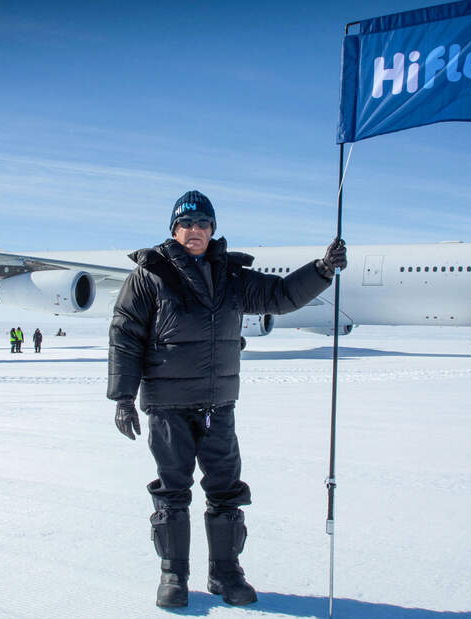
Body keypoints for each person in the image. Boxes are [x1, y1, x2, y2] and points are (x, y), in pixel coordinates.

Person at [107, 190, 346, 608]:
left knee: (225, 489)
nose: (194, 230)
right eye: (186, 223)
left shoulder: (231, 276)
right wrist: (123, 397)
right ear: (174, 229)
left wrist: (322, 270)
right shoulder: (149, 274)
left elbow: (281, 295)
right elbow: (125, 333)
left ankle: (226, 573)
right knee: (173, 490)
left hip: (218, 405)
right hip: (167, 405)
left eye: (202, 223)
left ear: (213, 229)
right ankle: (173, 575)